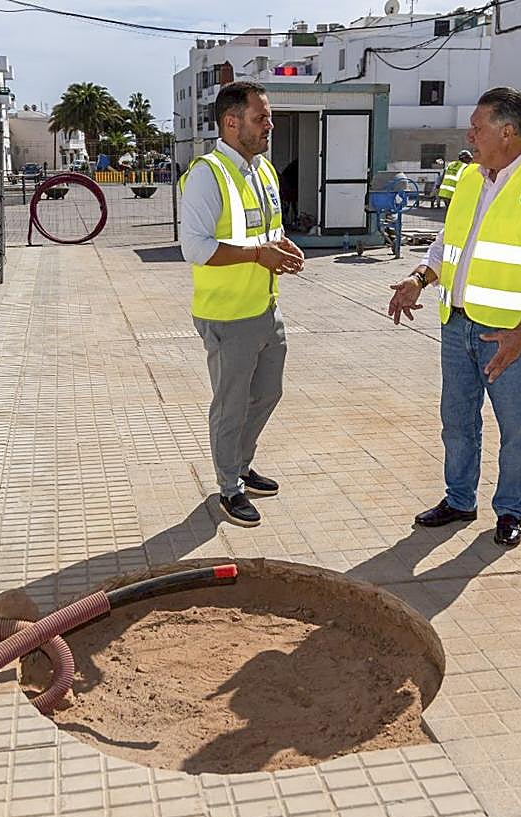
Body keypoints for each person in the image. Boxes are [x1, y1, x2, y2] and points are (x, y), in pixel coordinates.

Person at [386, 87, 521, 548]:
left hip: (510, 336)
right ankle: (459, 500)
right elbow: (447, 245)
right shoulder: (470, 177)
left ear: (507, 132)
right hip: (457, 324)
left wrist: (520, 335)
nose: (469, 134)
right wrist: (419, 277)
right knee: (456, 420)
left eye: (478, 126)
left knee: (514, 428)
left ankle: (510, 511)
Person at [179, 81, 305, 528]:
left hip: (266, 307)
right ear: (232, 123)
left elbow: (265, 231)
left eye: (267, 117)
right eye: (261, 118)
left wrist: (282, 245)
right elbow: (194, 248)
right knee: (230, 404)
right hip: (227, 314)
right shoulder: (206, 174)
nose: (269, 125)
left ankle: (241, 464)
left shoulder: (263, 170)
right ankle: (228, 487)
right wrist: (257, 255)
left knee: (268, 393)